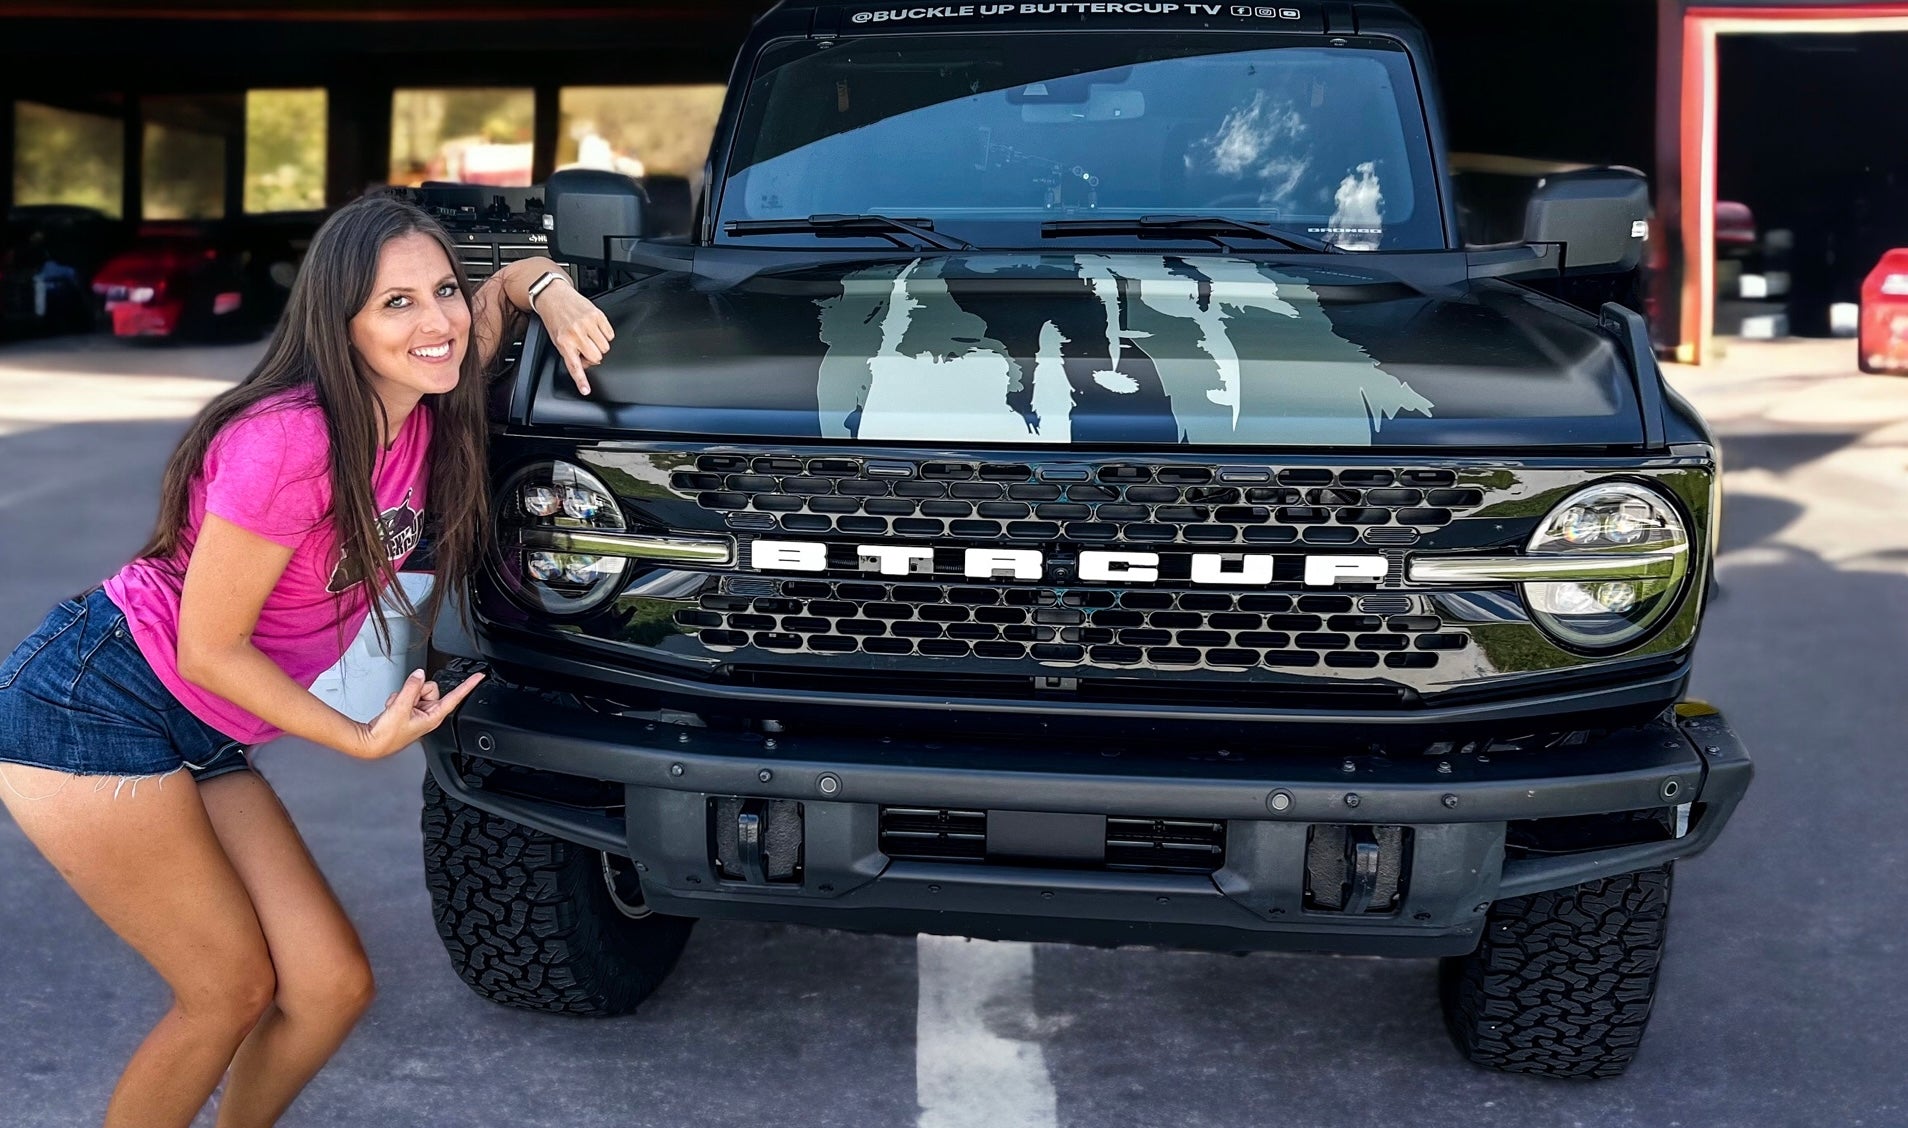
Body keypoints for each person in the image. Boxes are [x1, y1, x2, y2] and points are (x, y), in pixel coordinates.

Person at [0, 193, 613, 1128]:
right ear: (342, 324)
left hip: (201, 727)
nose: (438, 320)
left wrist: (556, 291)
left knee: (329, 986)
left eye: (439, 290)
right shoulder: (293, 439)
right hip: (97, 701)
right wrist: (360, 738)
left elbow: (503, 291)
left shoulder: (421, 402)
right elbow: (209, 648)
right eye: (395, 303)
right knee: (226, 991)